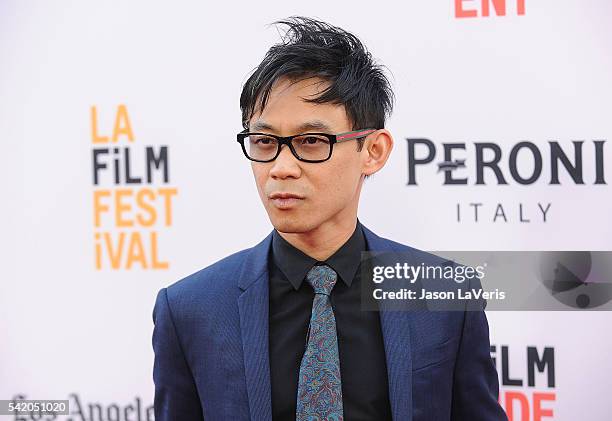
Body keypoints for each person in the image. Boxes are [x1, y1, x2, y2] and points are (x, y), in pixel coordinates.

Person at [152, 16, 507, 421]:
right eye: (265, 142)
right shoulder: (189, 309)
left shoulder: (446, 295)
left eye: (311, 141)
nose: (281, 168)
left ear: (373, 151)